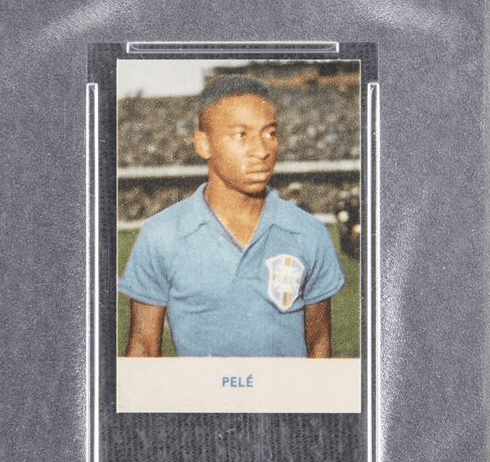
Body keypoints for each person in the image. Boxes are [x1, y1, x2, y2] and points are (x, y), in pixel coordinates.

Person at [119, 76, 345, 357]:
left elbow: (320, 343)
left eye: (270, 134)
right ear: (203, 144)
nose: (262, 151)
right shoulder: (161, 234)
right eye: (241, 135)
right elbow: (142, 347)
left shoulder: (309, 233)